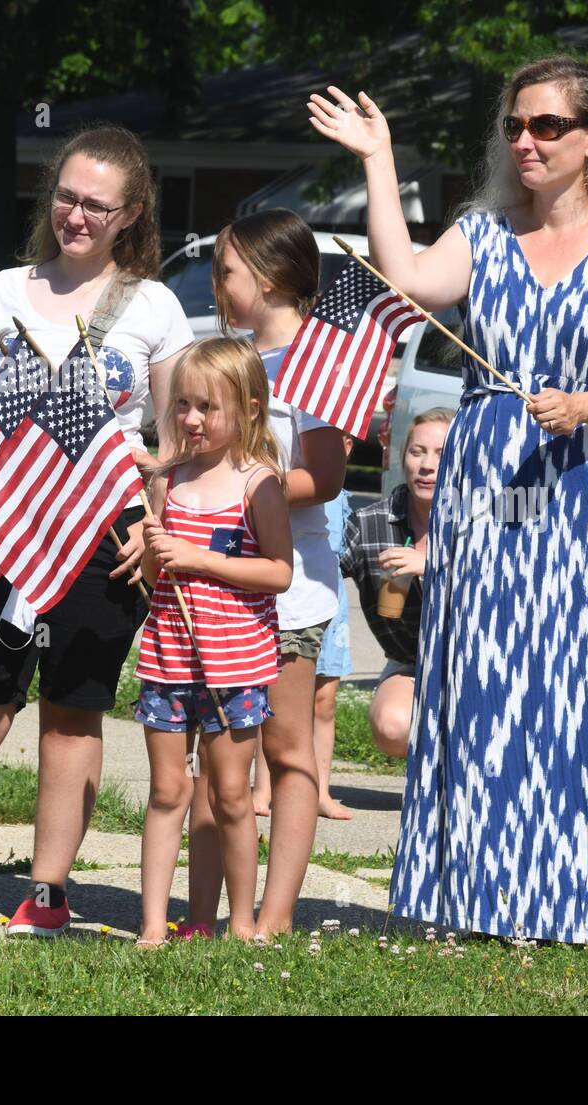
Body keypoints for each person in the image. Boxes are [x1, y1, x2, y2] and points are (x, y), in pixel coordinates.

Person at [310, 54, 588, 944]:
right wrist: (379, 158)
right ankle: (471, 898)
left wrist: (586, 404)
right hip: (488, 479)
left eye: (548, 126)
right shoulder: (483, 233)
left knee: (574, 683)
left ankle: (571, 901)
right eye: (516, 126)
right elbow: (403, 279)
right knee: (481, 675)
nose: (525, 141)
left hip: (587, 487)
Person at [0, 125, 194, 936]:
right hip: (2, 519)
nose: (75, 215)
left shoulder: (154, 306)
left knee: (73, 708)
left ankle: (47, 892)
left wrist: (154, 525)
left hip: (104, 532)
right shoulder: (3, 292)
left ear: (130, 215)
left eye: (95, 205)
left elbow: (176, 439)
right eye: (66, 196)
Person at [184, 209, 347, 940]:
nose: (217, 284)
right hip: (216, 588)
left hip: (292, 588)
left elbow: (331, 475)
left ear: (273, 278)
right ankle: (202, 913)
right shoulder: (226, 356)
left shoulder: (320, 362)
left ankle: (273, 916)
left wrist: (253, 484)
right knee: (216, 754)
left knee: (284, 751)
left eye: (227, 270)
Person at [133, 337, 293, 947]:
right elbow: (155, 578)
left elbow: (278, 572)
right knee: (167, 790)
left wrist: (200, 559)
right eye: (183, 406)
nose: (193, 420)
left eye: (209, 407)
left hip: (236, 666)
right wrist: (153, 553)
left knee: (230, 796)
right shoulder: (166, 483)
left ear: (250, 410)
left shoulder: (259, 485)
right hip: (169, 660)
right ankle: (153, 925)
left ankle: (243, 923)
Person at [340, 409, 452, 758]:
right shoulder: (371, 523)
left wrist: (436, 566)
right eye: (417, 451)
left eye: (441, 453)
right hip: (410, 660)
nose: (427, 465)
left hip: (479, 663)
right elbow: (317, 571)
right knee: (393, 725)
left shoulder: (484, 521)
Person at [312, 431, 356, 819]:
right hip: (294, 595)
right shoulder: (300, 483)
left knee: (324, 701)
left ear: (347, 447)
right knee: (277, 699)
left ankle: (320, 789)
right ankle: (264, 788)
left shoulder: (342, 497)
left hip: (333, 603)